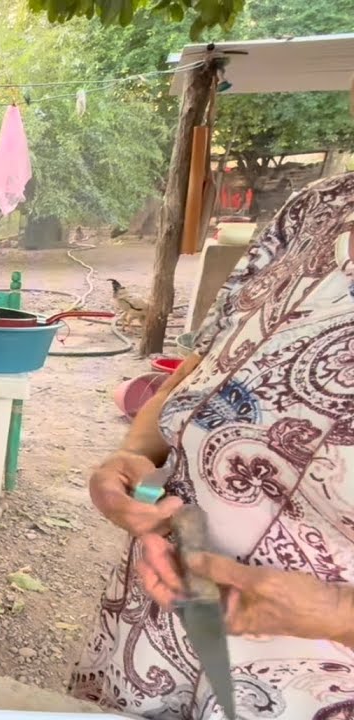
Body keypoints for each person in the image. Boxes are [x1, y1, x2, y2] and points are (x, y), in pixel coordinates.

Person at [69, 167, 354, 718]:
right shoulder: (315, 209)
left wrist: (338, 611)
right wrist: (135, 455)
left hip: (309, 682)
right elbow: (203, 368)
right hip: (159, 626)